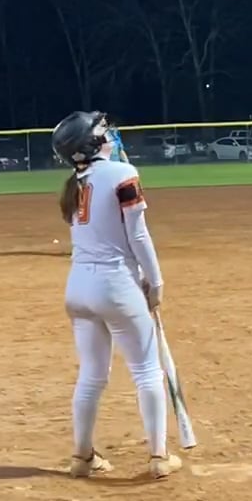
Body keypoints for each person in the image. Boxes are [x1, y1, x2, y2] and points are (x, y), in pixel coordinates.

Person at [53, 109, 181, 481]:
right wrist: (155, 281)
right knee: (147, 371)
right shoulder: (122, 173)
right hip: (115, 284)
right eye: (102, 130)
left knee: (92, 375)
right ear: (91, 143)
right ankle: (158, 456)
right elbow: (137, 235)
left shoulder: (74, 184)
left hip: (78, 287)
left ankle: (82, 457)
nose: (109, 133)